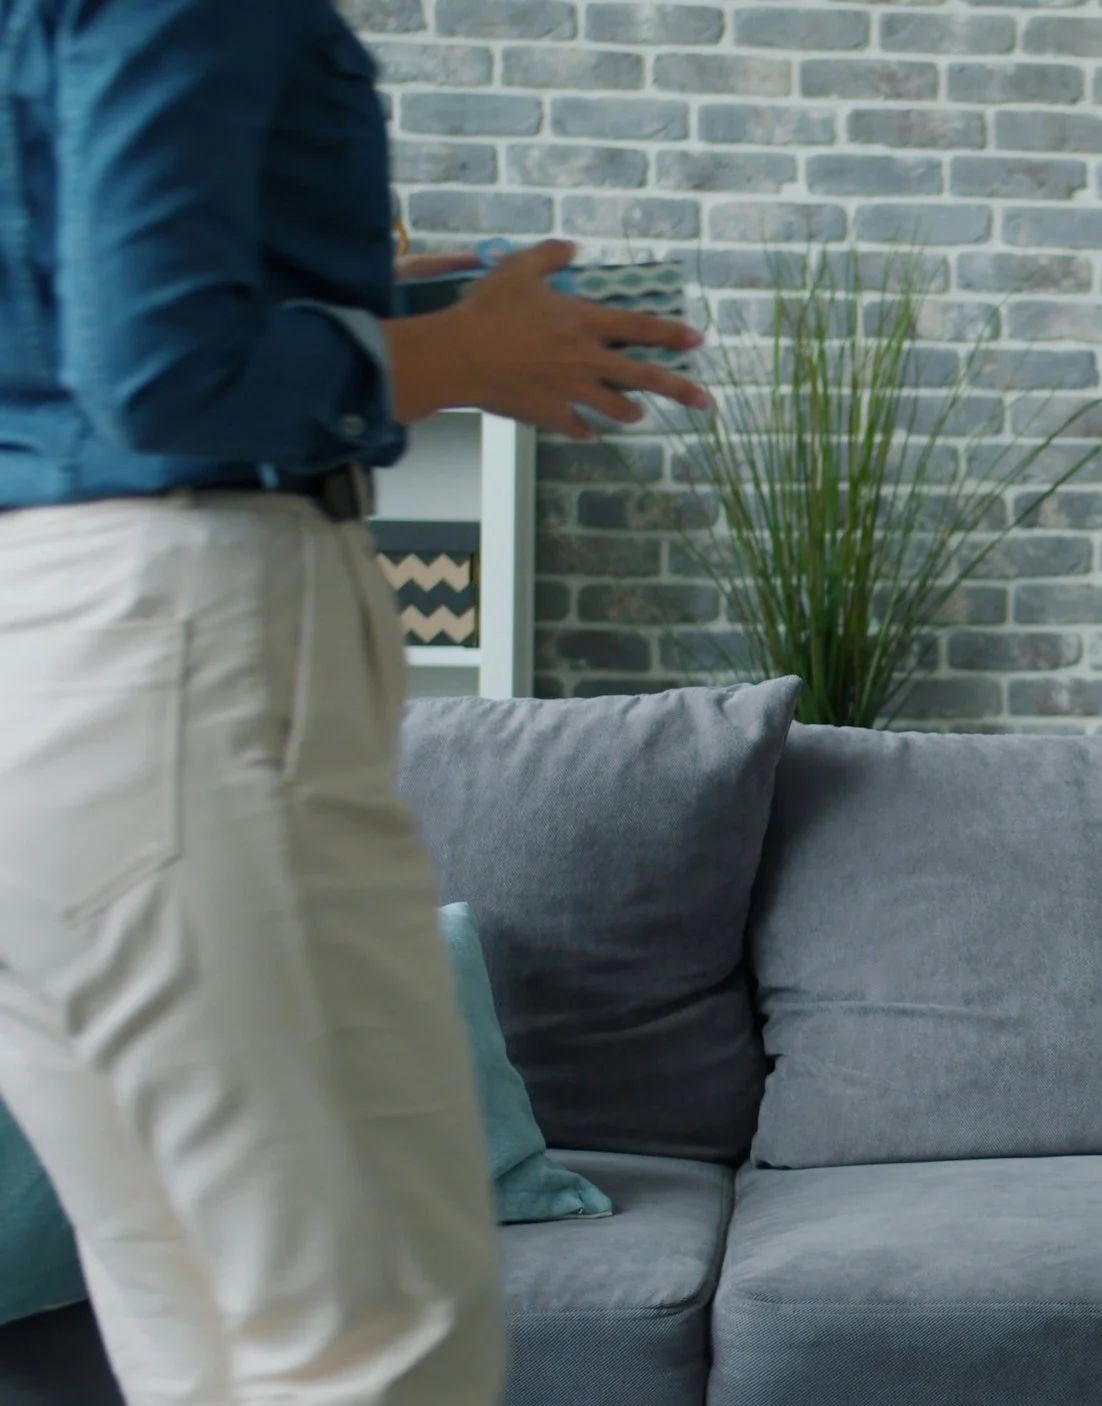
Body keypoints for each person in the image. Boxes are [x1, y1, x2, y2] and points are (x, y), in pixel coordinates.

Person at [0, 2, 709, 1402]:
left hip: (58, 644)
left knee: (193, 1327)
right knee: (373, 1344)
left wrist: (361, 308)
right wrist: (453, 360)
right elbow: (161, 373)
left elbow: (78, 325)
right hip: (185, 640)